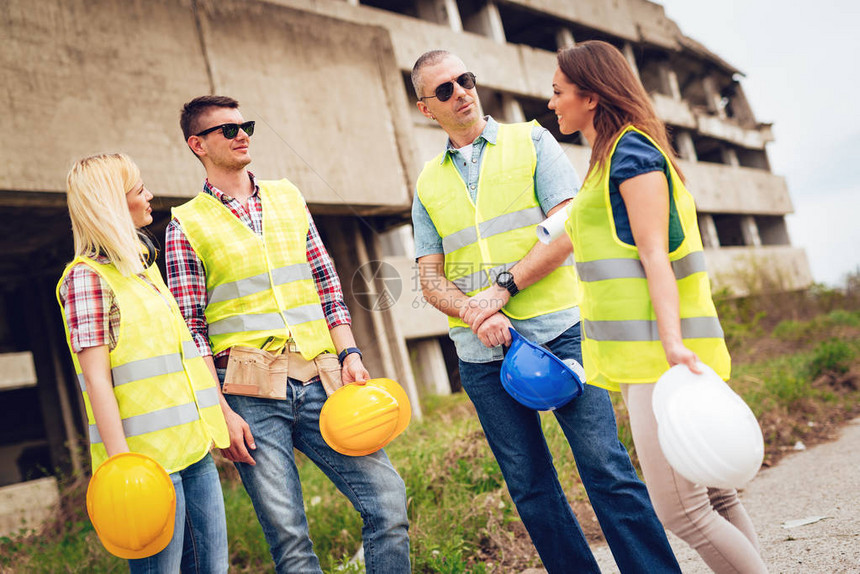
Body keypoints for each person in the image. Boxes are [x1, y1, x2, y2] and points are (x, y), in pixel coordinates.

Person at [411, 50, 681, 574]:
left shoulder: (532, 141)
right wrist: (475, 312)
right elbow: (428, 276)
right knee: (530, 488)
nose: (461, 92)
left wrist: (501, 291)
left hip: (563, 333)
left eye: (464, 79)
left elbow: (565, 232)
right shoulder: (427, 181)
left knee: (607, 469)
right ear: (426, 108)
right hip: (483, 353)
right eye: (444, 90)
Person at [165, 95, 410, 573]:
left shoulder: (288, 197)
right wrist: (220, 414)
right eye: (227, 130)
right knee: (290, 540)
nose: (242, 135)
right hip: (250, 395)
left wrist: (350, 352)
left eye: (245, 125)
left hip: (322, 378)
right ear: (197, 145)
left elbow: (326, 284)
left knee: (387, 500)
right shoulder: (185, 223)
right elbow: (190, 332)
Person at [550, 40, 768, 573]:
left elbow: (656, 255)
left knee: (682, 511)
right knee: (715, 499)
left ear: (592, 97)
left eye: (558, 92)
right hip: (649, 355)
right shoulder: (607, 160)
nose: (551, 102)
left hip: (660, 358)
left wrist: (672, 345)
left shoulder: (632, 154)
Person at [56, 153, 231, 572]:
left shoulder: (142, 271)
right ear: (113, 204)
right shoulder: (86, 279)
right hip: (145, 470)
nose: (150, 196)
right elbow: (96, 380)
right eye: (139, 190)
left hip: (193, 452)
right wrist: (123, 473)